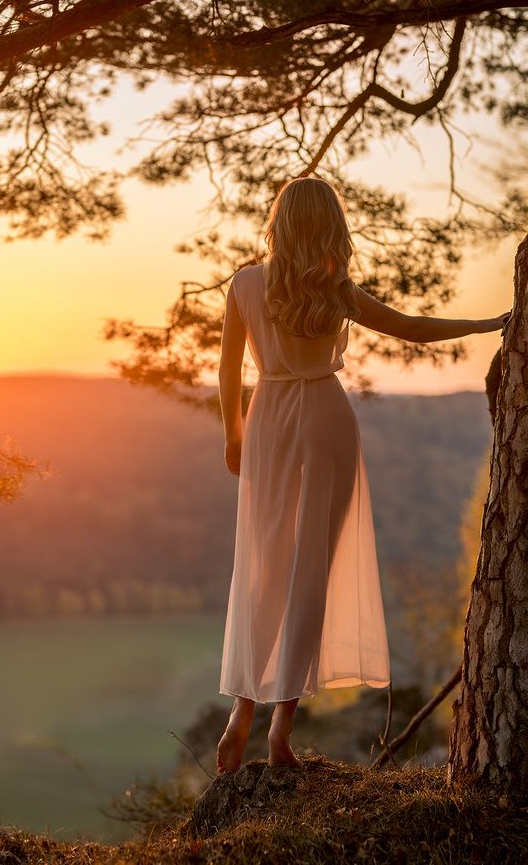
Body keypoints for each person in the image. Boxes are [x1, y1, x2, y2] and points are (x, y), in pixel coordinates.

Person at [216, 177, 509, 774]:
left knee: (263, 563)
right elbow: (412, 326)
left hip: (268, 417)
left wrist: (233, 435)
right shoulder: (337, 291)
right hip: (326, 417)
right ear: (329, 227)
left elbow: (225, 371)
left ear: (279, 221)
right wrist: (482, 325)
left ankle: (240, 710)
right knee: (312, 571)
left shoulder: (246, 284)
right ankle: (280, 731)